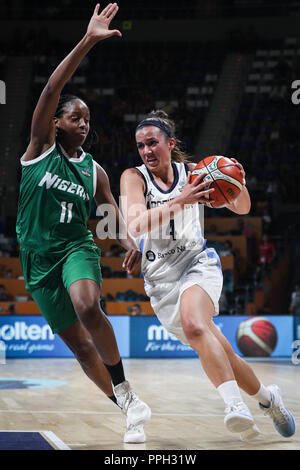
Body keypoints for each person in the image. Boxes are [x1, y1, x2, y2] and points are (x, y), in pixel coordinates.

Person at [16, 3, 150, 444]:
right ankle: (128, 406)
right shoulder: (39, 148)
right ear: (55, 123)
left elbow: (110, 215)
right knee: (78, 347)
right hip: (37, 260)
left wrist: (130, 240)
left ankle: (127, 391)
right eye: (76, 117)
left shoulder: (95, 171)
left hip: (76, 248)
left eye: (88, 120)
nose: (83, 123)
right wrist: (88, 41)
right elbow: (54, 86)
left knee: (88, 305)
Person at [120, 109, 295, 441]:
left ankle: (234, 408)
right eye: (141, 145)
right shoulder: (134, 177)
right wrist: (181, 201)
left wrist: (237, 183)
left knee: (194, 323)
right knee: (221, 350)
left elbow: (242, 208)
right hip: (161, 282)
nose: (146, 151)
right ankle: (268, 400)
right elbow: (135, 224)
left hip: (197, 264)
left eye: (153, 143)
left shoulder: (196, 173)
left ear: (170, 144)